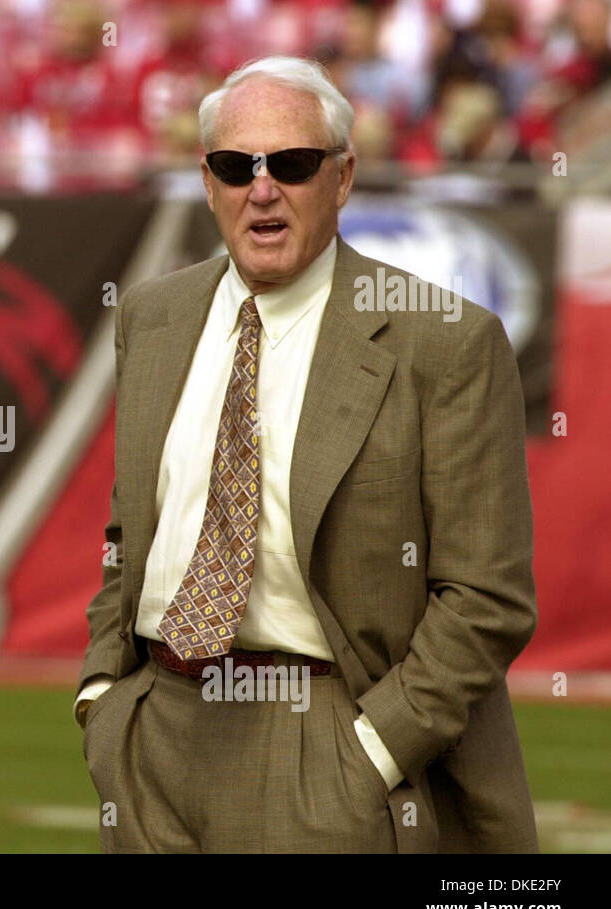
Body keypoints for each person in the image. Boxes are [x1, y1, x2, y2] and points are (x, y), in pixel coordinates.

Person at [75, 56, 538, 853]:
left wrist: (371, 752)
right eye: (235, 165)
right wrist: (102, 696)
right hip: (155, 737)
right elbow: (133, 532)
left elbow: (486, 597)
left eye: (291, 164)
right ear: (208, 179)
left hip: (324, 739)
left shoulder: (445, 341)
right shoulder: (152, 316)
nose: (262, 189)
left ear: (343, 176)